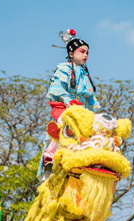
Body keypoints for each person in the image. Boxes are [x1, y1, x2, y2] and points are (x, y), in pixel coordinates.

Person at [39, 28, 100, 175]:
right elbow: (57, 88)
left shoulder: (85, 73)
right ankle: (50, 156)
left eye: (87, 52)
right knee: (61, 128)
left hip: (83, 113)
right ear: (71, 54)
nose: (85, 55)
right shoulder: (64, 68)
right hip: (67, 110)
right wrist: (67, 100)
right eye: (81, 51)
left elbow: (91, 98)